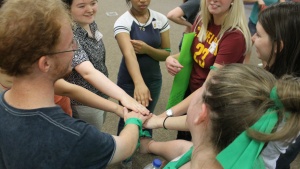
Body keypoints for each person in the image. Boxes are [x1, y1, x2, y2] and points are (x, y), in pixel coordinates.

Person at [0, 0, 150, 168]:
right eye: (71, 44)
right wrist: (133, 121)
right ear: (45, 64)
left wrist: (118, 106)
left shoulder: (9, 98)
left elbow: (71, 89)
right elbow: (125, 147)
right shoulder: (74, 135)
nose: (76, 48)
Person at [140, 63, 300, 169]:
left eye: (203, 88)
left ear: (202, 113)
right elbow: (185, 149)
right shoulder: (227, 153)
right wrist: (150, 144)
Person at [164, 0, 252, 141]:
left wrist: (167, 114)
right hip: (191, 91)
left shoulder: (234, 36)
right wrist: (171, 58)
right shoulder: (201, 20)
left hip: (209, 100)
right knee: (182, 138)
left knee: (197, 146)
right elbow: (192, 53)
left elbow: (209, 86)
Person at [62, 0, 149, 131]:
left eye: (93, 3)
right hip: (85, 100)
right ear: (68, 9)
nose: (90, 9)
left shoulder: (89, 23)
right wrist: (123, 96)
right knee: (91, 136)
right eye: (81, 6)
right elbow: (88, 72)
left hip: (101, 90)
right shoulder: (69, 35)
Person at [251, 2, 300, 168]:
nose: (252, 38)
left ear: (278, 46)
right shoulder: (276, 70)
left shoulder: (286, 98)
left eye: (258, 35)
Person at [113, 0, 170, 138]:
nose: (143, 0)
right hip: (129, 80)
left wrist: (147, 49)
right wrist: (139, 83)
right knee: (128, 117)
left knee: (148, 115)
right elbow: (129, 54)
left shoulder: (161, 19)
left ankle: (145, 144)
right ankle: (125, 154)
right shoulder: (123, 21)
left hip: (154, 78)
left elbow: (166, 53)